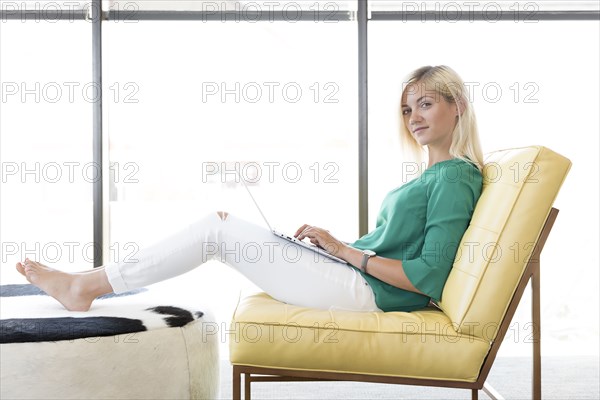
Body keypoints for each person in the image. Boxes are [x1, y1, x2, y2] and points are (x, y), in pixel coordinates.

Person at [16, 65, 484, 313]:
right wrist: (334, 246)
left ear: (457, 105)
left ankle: (84, 286)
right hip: (354, 275)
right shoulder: (431, 175)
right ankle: (88, 283)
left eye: (425, 104)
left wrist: (344, 250)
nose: (414, 117)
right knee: (220, 224)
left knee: (215, 231)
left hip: (369, 292)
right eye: (407, 109)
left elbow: (430, 277)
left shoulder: (456, 175)